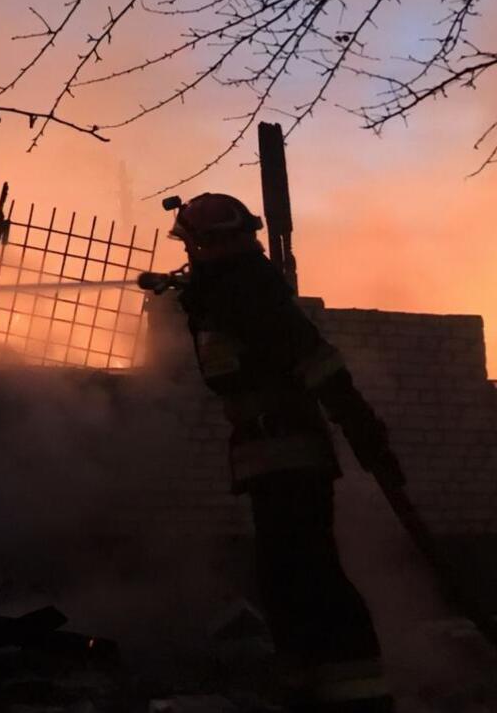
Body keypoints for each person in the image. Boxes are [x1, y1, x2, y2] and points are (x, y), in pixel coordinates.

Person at [167, 192, 404, 713]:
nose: (193, 257)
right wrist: (197, 295)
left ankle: (359, 697)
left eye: (195, 246)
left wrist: (366, 433)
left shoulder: (250, 293)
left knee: (311, 576)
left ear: (204, 245)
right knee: (282, 581)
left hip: (289, 454)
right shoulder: (229, 293)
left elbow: (317, 364)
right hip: (268, 457)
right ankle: (305, 685)